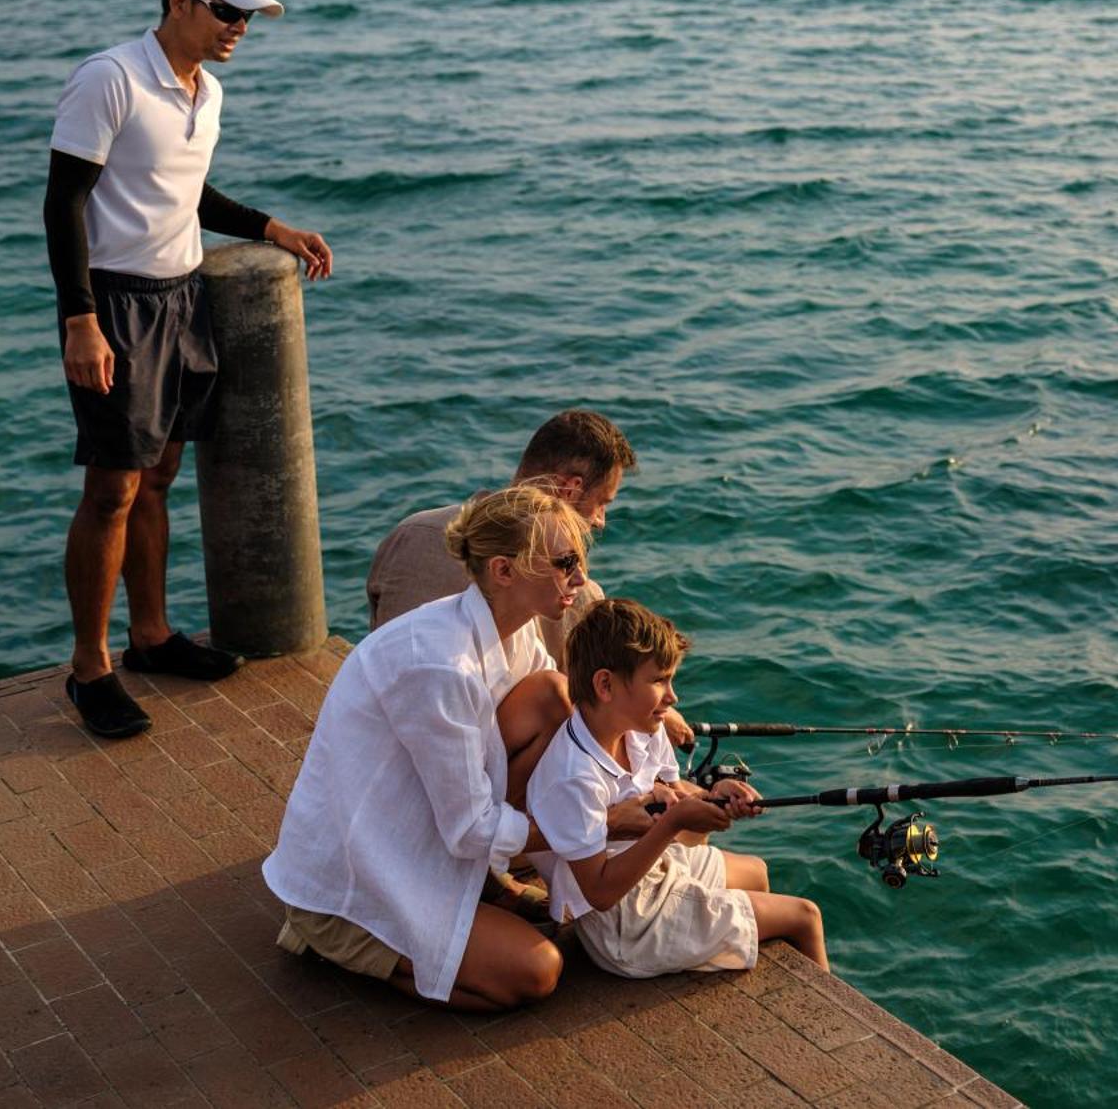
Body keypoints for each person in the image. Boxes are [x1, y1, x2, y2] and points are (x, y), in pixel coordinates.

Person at [44, 0, 333, 739]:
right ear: (180, 1)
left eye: (247, 15)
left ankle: (151, 637)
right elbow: (65, 201)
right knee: (113, 488)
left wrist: (271, 226)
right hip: (117, 301)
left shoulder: (207, 91)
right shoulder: (109, 78)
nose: (240, 25)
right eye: (228, 10)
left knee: (161, 474)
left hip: (184, 296)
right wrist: (80, 317)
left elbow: (183, 189)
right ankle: (89, 668)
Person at [261, 484, 582, 1010]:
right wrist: (600, 828)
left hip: (424, 829)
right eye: (564, 562)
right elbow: (470, 829)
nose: (580, 578)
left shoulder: (512, 629)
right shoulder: (439, 665)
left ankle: (476, 890)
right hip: (363, 871)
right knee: (535, 972)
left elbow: (569, 726)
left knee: (553, 696)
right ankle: (340, 938)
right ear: (504, 571)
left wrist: (648, 725)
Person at [526, 597, 829, 977]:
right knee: (804, 916)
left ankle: (732, 946)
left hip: (657, 868)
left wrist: (713, 798)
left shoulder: (642, 729)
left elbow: (680, 810)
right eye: (658, 681)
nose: (673, 698)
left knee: (757, 871)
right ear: (605, 685)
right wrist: (671, 824)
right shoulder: (572, 776)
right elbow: (600, 894)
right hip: (625, 926)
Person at [364, 410, 692, 744]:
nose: (601, 521)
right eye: (602, 503)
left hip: (377, 730)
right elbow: (592, 707)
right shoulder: (571, 596)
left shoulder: (411, 532)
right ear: (569, 490)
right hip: (460, 755)